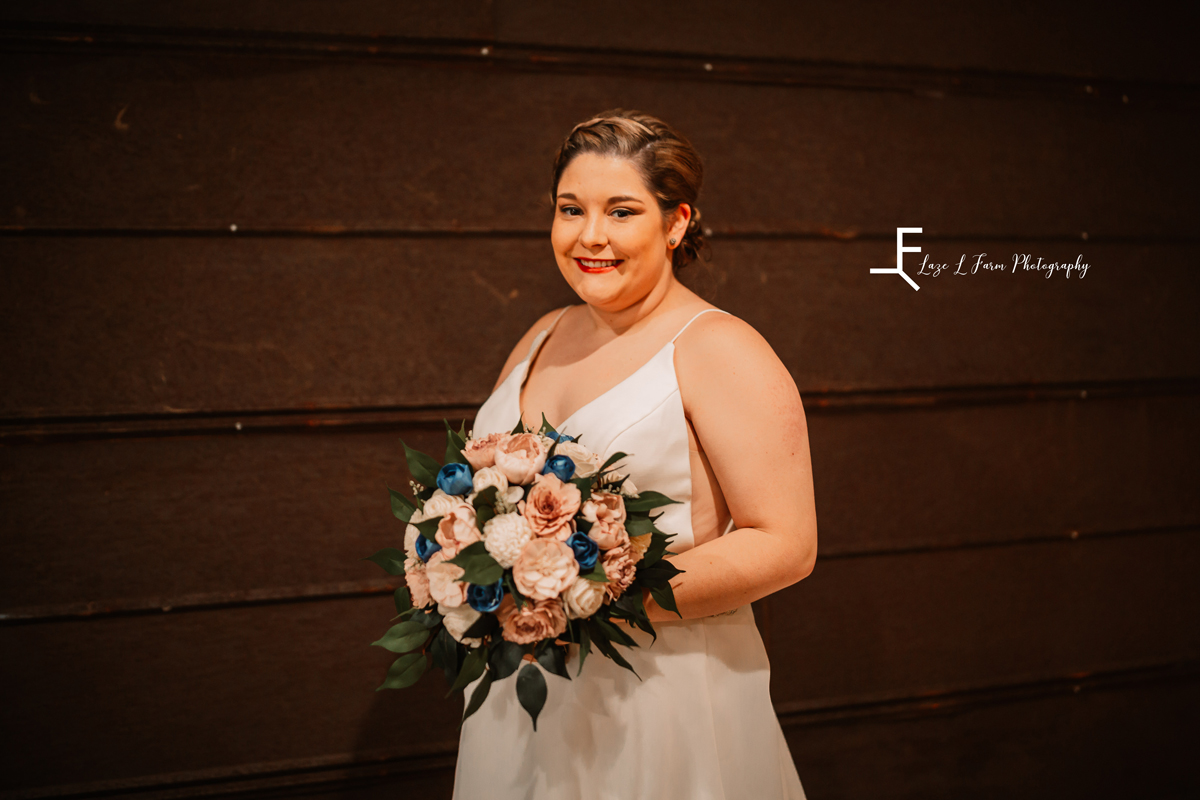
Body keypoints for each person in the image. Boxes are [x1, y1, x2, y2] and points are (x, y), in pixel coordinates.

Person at [453, 110, 817, 799]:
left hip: (657, 697)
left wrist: (589, 594)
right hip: (521, 689)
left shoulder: (720, 349)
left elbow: (786, 543)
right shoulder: (542, 332)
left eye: (621, 211)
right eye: (571, 209)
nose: (591, 236)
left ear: (676, 222)